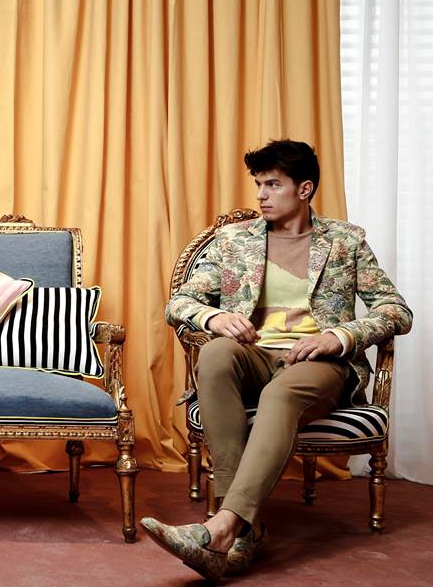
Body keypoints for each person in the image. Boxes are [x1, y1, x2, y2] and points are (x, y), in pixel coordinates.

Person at [144, 139, 412, 581]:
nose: (261, 195)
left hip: (319, 366)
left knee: (282, 393)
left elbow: (395, 310)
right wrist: (215, 317)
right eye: (258, 184)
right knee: (215, 353)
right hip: (254, 356)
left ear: (304, 189)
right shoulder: (233, 241)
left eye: (273, 184)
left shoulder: (345, 241)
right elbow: (179, 303)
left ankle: (222, 529)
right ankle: (239, 530)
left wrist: (338, 336)